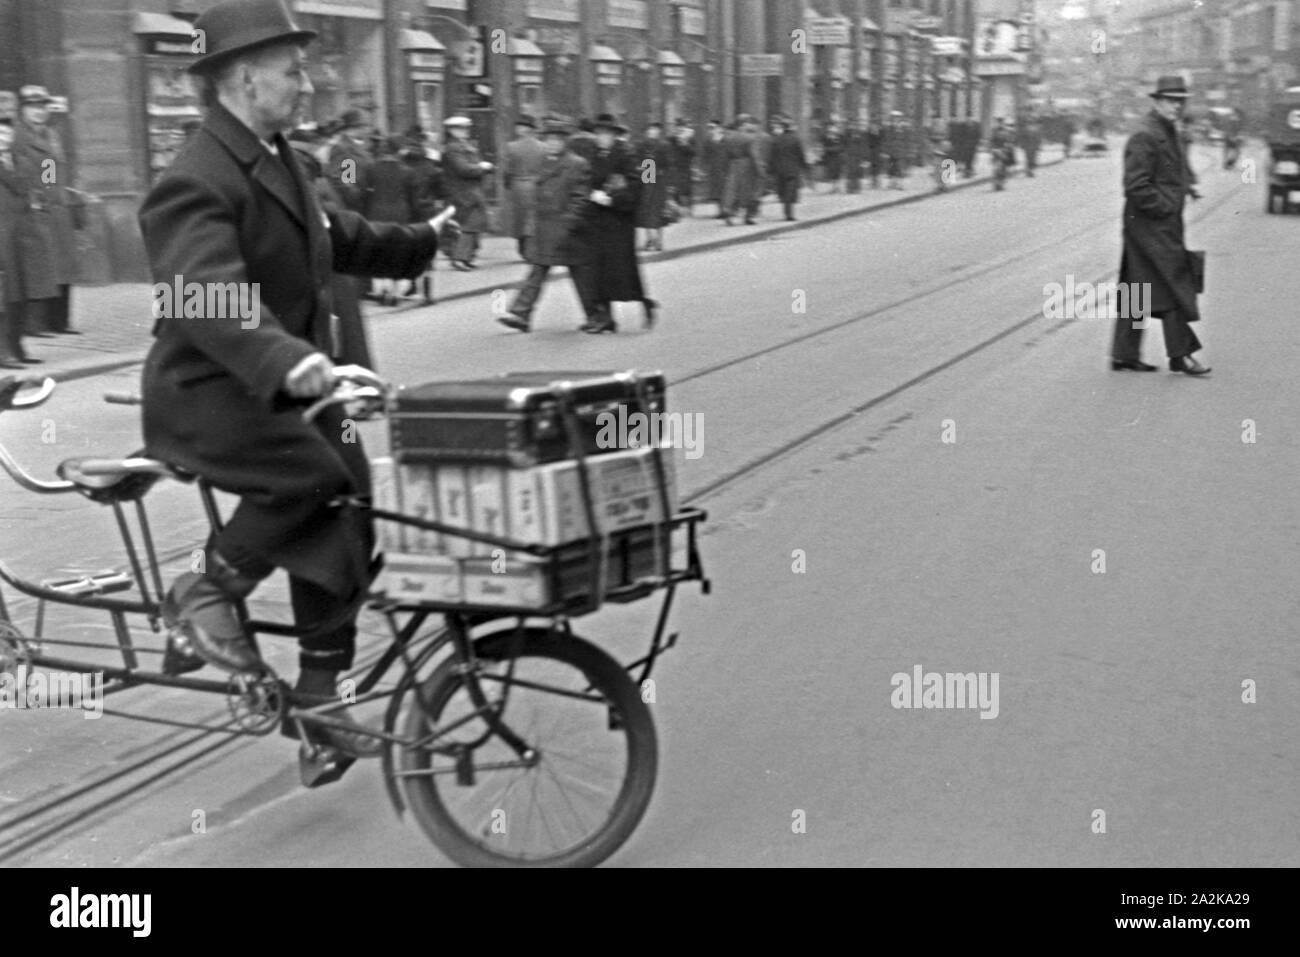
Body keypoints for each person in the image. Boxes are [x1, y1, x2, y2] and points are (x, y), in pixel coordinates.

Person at [136, 0, 456, 756]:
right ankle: (203, 590)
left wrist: (419, 242)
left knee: (348, 495)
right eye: (293, 69)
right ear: (245, 78)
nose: (306, 82)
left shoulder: (278, 158)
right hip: (210, 391)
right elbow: (201, 294)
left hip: (281, 384)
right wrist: (290, 360)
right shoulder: (195, 178)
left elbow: (333, 237)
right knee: (311, 473)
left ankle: (321, 701)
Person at [1111, 75, 1209, 376]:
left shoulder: (1168, 130)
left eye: (1180, 102)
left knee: (1137, 287)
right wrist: (1165, 206)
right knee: (1174, 282)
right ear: (1156, 101)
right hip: (1151, 224)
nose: (1176, 107)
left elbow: (1169, 172)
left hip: (1150, 224)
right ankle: (1182, 354)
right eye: (1170, 101)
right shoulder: (1146, 134)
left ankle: (1124, 354)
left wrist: (1185, 188)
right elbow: (1136, 185)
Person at [497, 115, 591, 333]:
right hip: (545, 227)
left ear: (565, 141)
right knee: (537, 271)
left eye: (558, 139)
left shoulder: (577, 163)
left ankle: (595, 314)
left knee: (580, 275)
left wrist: (569, 222)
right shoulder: (542, 161)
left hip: (567, 230)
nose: (553, 143)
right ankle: (521, 313)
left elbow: (580, 198)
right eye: (549, 139)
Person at [574, 114, 652, 333]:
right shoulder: (595, 154)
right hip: (598, 220)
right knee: (597, 270)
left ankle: (644, 303)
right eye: (598, 134)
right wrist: (591, 194)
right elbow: (588, 179)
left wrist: (613, 199)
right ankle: (605, 317)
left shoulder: (628, 153)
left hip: (619, 222)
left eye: (606, 134)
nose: (601, 138)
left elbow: (641, 182)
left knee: (621, 270)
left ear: (615, 135)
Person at [13, 85, 78, 336]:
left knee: (62, 267)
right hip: (32, 209)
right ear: (22, 110)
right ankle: (35, 325)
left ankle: (60, 322)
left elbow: (50, 173)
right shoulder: (16, 137)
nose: (39, 112)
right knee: (38, 269)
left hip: (55, 207)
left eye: (43, 107)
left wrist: (58, 194)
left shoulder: (50, 135)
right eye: (33, 108)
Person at [1, 115, 47, 368]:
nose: (3, 139)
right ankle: (4, 351)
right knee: (4, 296)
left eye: (6, 135)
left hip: (23, 233)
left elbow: (44, 179)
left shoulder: (26, 158)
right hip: (3, 236)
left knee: (21, 295)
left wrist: (48, 198)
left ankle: (17, 347)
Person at [361, 136, 421, 305]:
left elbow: (362, 191)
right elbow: (414, 201)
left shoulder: (370, 168)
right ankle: (396, 291)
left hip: (375, 214)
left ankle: (381, 289)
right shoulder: (408, 171)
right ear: (399, 151)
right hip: (401, 215)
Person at [440, 115, 492, 270]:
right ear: (451, 131)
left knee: (474, 224)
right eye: (461, 129)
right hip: (462, 192)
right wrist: (482, 167)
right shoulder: (453, 148)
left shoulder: (462, 146)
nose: (465, 131)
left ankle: (467, 256)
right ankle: (459, 257)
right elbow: (463, 169)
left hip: (470, 191)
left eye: (466, 128)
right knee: (469, 225)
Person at [502, 113, 545, 261]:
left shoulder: (512, 147)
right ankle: (531, 250)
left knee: (520, 219)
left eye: (519, 126)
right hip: (536, 185)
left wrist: (507, 184)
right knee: (532, 219)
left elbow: (507, 169)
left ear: (523, 129)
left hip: (518, 185)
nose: (517, 128)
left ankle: (523, 250)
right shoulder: (542, 147)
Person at [634, 121, 671, 251]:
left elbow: (668, 164)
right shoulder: (641, 146)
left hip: (659, 182)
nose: (653, 132)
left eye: (655, 130)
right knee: (646, 210)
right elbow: (637, 162)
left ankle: (659, 240)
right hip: (645, 180)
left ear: (659, 132)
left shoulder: (664, 146)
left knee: (658, 211)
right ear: (647, 132)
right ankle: (650, 238)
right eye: (651, 130)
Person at [721, 114, 763, 225]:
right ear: (742, 125)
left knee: (733, 191)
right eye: (746, 123)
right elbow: (754, 155)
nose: (748, 125)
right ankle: (748, 217)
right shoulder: (749, 138)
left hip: (733, 165)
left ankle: (729, 214)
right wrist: (760, 170)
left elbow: (725, 155)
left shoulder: (729, 139)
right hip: (747, 166)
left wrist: (725, 168)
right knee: (750, 191)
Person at [769, 116, 808, 220]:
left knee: (783, 191)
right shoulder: (795, 139)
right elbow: (801, 154)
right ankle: (789, 214)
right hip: (792, 169)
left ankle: (786, 211)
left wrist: (772, 169)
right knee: (790, 192)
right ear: (791, 127)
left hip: (780, 170)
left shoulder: (777, 140)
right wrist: (804, 166)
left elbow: (773, 155)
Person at [667, 117, 696, 215]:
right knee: (675, 187)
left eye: (681, 127)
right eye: (677, 127)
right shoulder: (671, 139)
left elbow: (694, 152)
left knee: (686, 188)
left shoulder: (690, 139)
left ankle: (688, 207)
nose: (678, 129)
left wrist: (685, 144)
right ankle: (677, 210)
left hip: (685, 166)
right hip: (674, 166)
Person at [700, 119, 728, 216]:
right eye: (709, 128)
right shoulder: (708, 140)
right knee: (715, 190)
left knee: (725, 188)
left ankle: (726, 209)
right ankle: (720, 210)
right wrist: (704, 167)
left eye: (713, 127)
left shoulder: (726, 138)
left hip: (725, 167)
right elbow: (705, 154)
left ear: (719, 128)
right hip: (713, 168)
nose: (711, 130)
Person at [821, 121, 844, 193]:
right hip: (830, 158)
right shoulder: (827, 138)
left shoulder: (839, 137)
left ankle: (837, 187)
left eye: (833, 130)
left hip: (837, 158)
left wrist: (829, 149)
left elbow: (840, 147)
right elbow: (824, 146)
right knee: (832, 173)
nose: (832, 132)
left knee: (837, 173)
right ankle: (834, 188)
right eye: (830, 130)